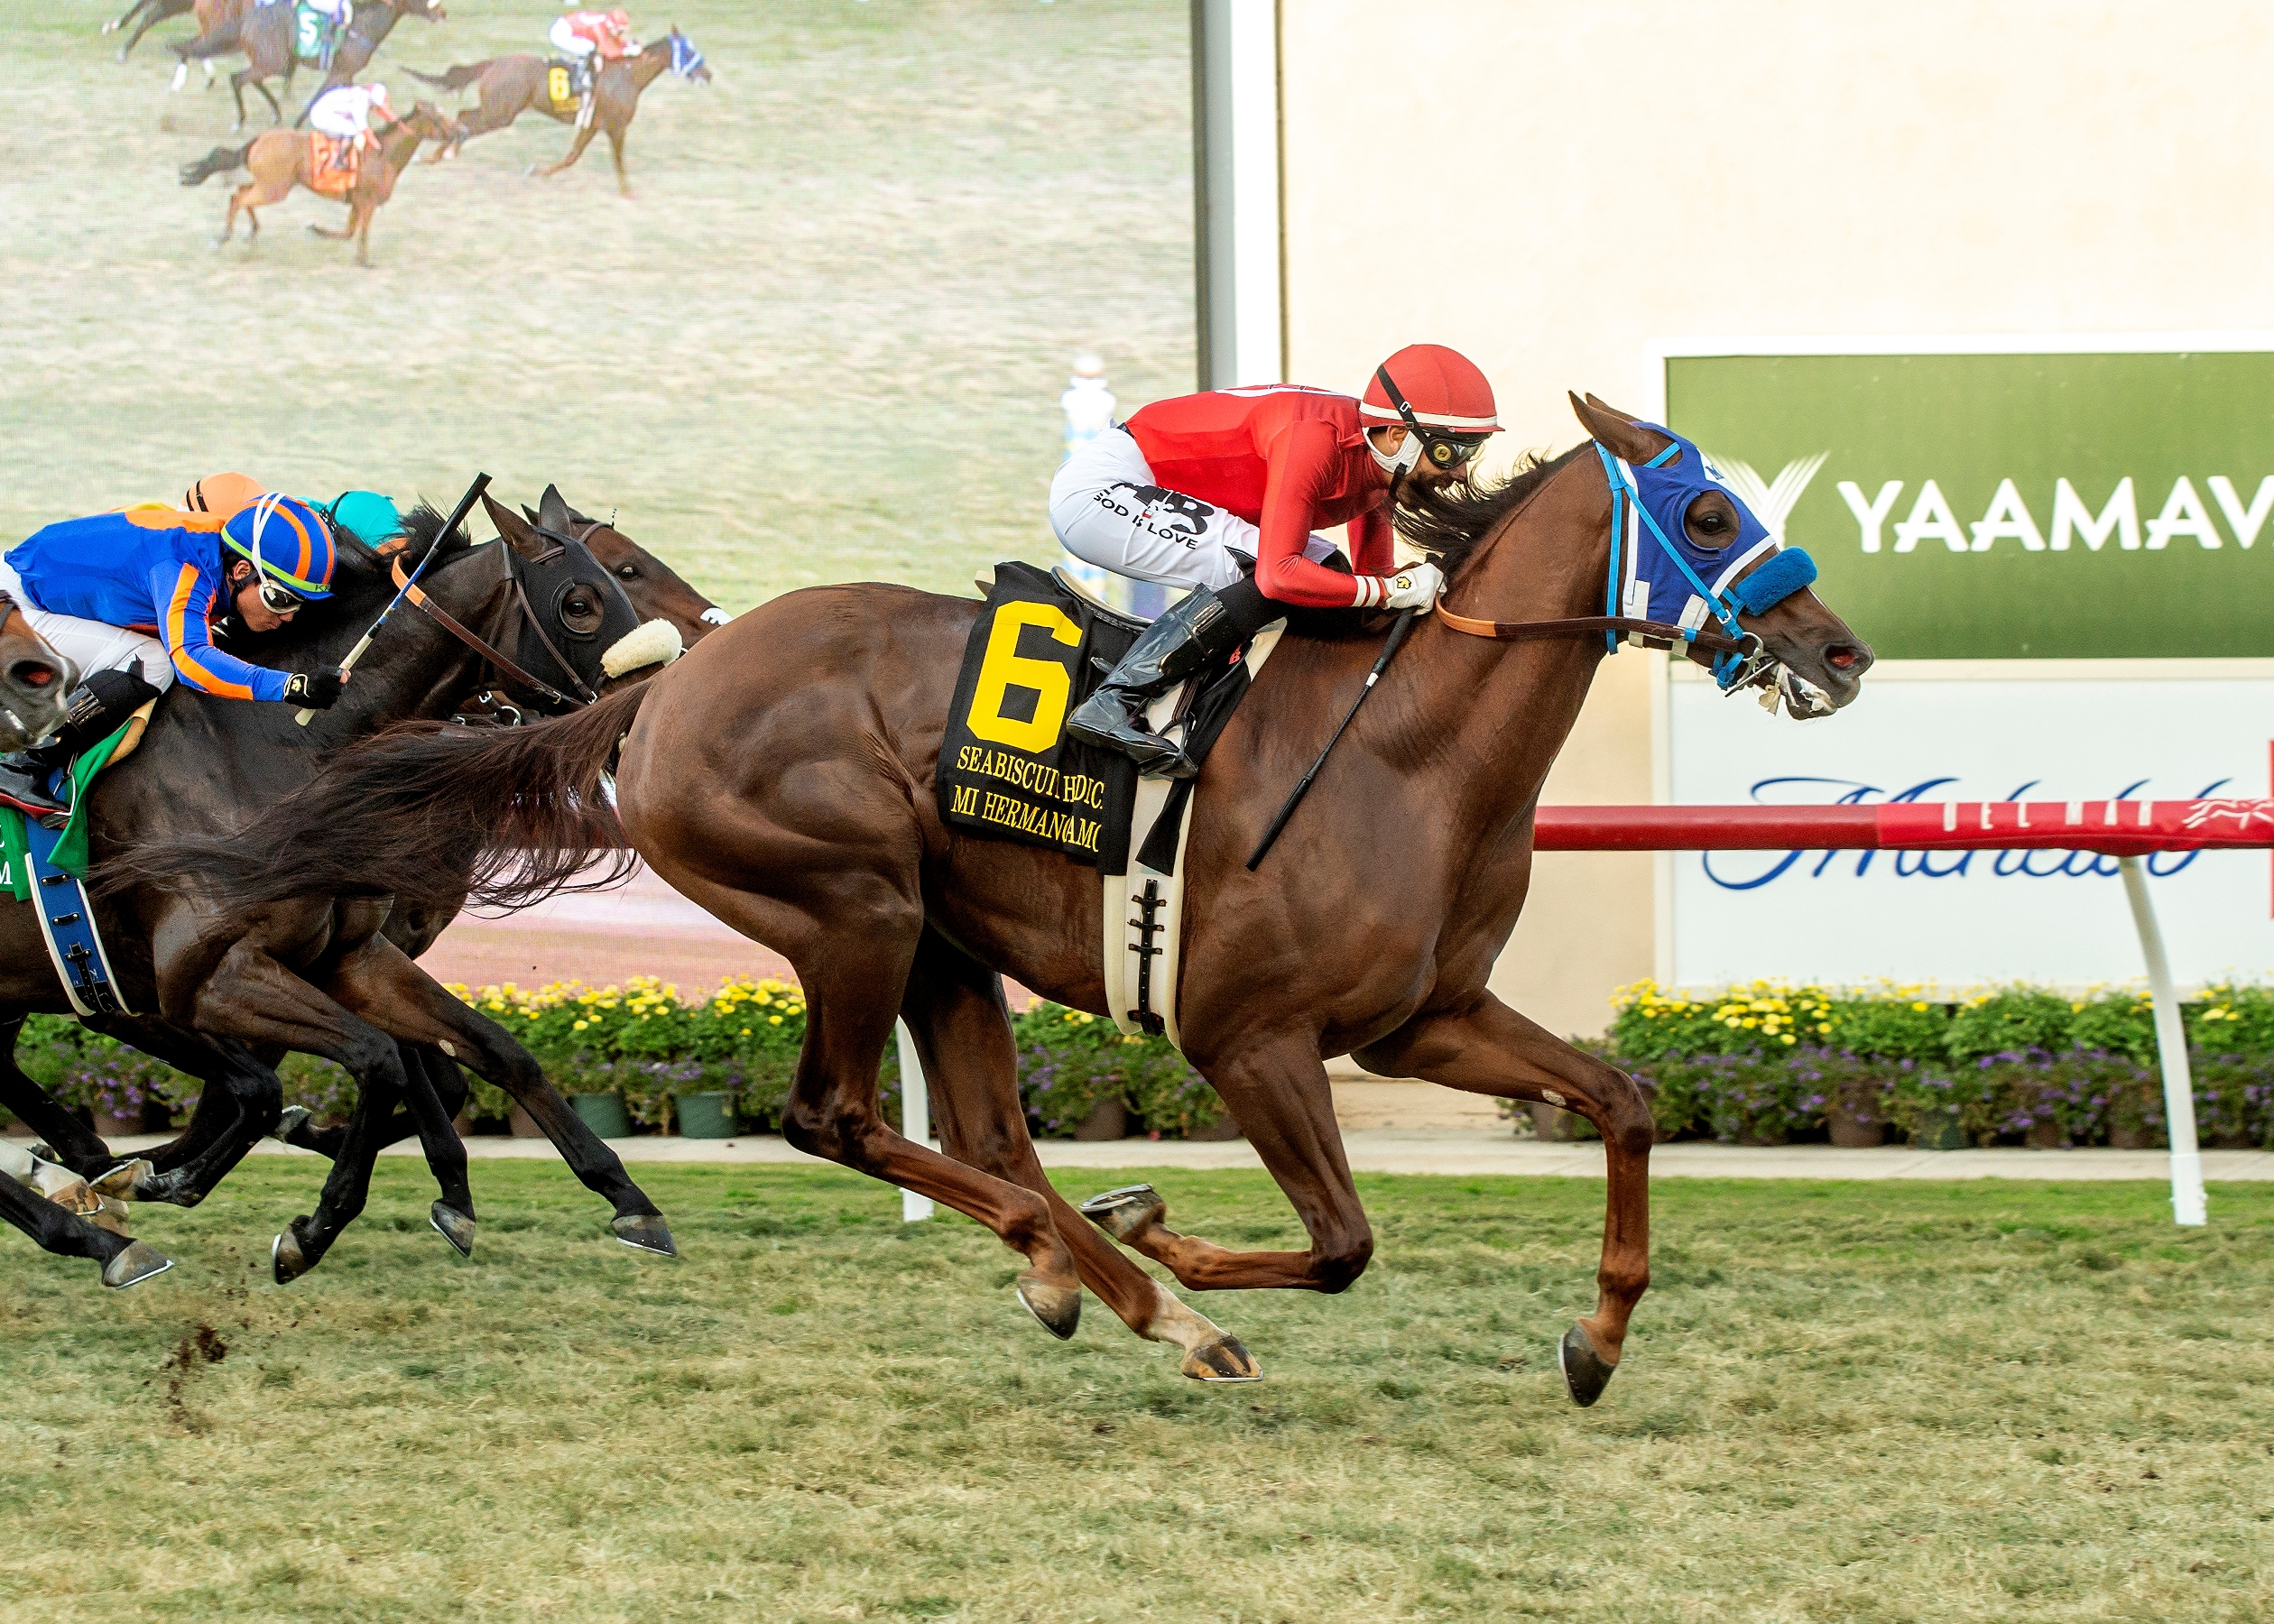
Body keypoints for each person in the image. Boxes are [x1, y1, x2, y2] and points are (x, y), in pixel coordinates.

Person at [1054, 344, 1501, 775]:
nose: (1460, 472)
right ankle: (1115, 699)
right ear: (1398, 435)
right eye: (1449, 451)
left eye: (1472, 450)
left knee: (1332, 577)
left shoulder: (1376, 456)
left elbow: (1367, 581)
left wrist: (1388, 588)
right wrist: (1393, 590)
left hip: (1144, 480)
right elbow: (1278, 575)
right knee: (1287, 574)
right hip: (1101, 490)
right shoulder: (1315, 439)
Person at [0, 494, 347, 821]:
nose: (287, 617)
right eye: (280, 600)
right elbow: (191, 661)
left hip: (47, 589)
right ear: (241, 571)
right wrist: (289, 685)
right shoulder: (184, 569)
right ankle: (22, 762)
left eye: (298, 606)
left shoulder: (219, 554)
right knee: (153, 661)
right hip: (20, 607)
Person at [306, 80, 394, 176]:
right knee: (351, 130)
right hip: (321, 115)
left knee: (353, 128)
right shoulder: (360, 105)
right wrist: (378, 147)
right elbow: (365, 131)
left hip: (324, 109)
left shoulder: (362, 93)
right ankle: (338, 160)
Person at [549, 7, 633, 98]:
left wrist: (627, 45)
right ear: (611, 26)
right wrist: (627, 51)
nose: (620, 34)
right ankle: (578, 81)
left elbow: (615, 41)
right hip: (560, 32)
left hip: (566, 24)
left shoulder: (606, 24)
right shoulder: (598, 28)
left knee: (591, 47)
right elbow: (609, 52)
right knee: (589, 48)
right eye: (620, 31)